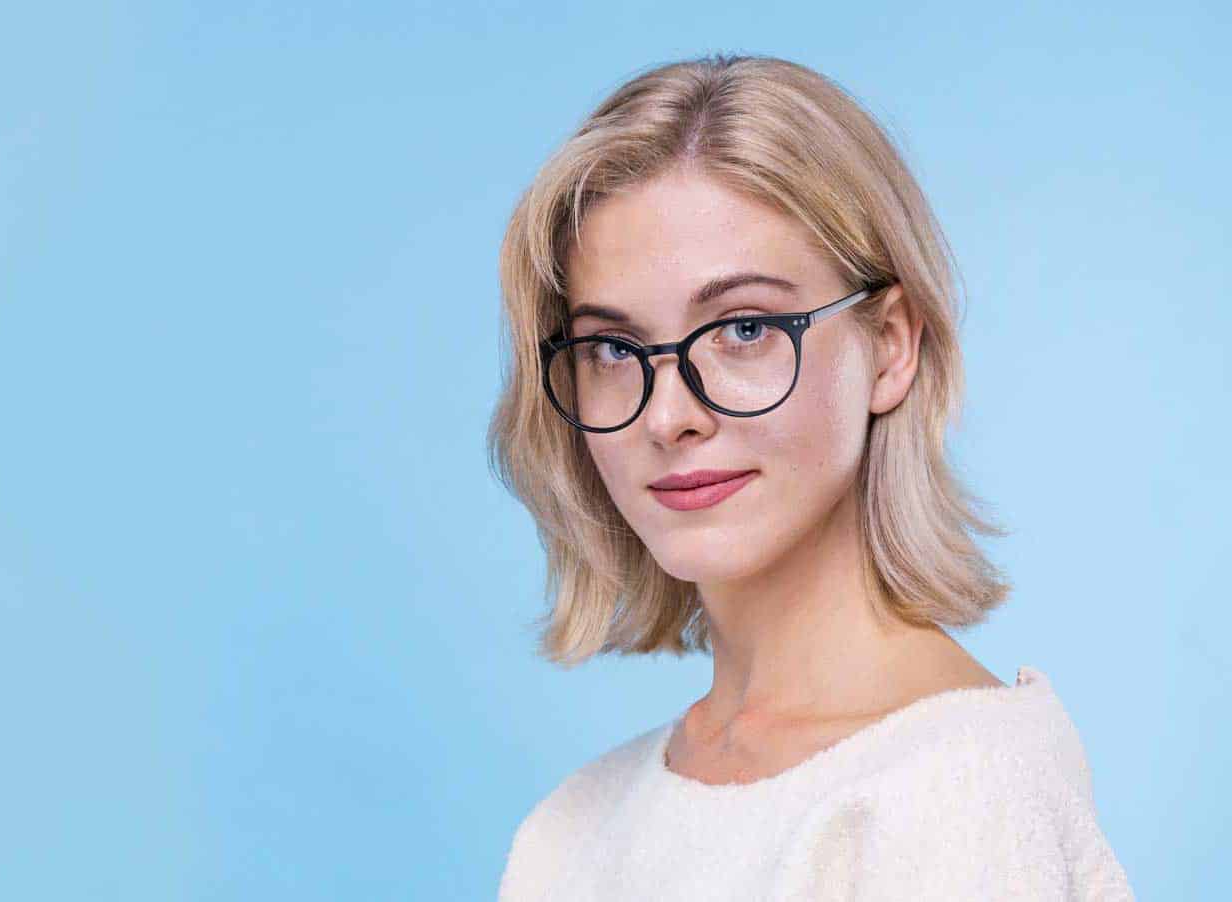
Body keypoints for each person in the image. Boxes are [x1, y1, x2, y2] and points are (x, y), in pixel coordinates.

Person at [486, 54, 1135, 900]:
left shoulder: (953, 795)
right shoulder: (572, 827)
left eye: (744, 328)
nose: (667, 414)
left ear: (891, 346)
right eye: (613, 347)